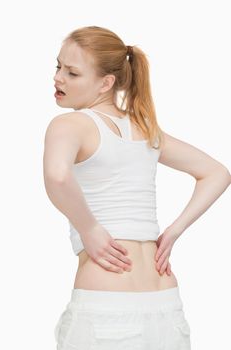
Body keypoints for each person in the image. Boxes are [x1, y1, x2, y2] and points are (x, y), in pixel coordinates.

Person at [43, 25, 231, 350]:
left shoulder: (69, 124)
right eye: (57, 66)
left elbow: (57, 176)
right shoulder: (146, 129)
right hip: (164, 301)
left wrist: (89, 229)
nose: (58, 78)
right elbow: (216, 173)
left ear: (107, 82)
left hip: (106, 302)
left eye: (72, 73)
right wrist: (172, 232)